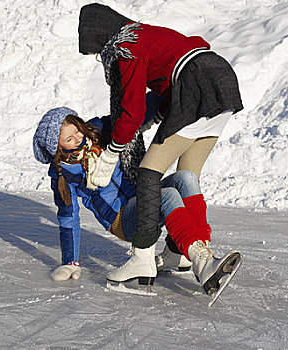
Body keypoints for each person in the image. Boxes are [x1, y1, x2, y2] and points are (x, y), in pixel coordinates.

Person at [77, 3, 243, 297]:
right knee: (188, 176)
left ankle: (142, 258)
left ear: (104, 39)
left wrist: (112, 152)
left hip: (196, 85)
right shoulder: (147, 36)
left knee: (147, 173)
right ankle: (193, 256)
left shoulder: (127, 48)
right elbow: (165, 87)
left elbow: (131, 110)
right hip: (222, 80)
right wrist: (149, 120)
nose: (102, 60)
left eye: (99, 53)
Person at [33, 106, 212, 286]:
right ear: (57, 148)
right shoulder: (63, 174)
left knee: (185, 177)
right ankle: (201, 262)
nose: (79, 138)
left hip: (141, 197)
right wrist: (70, 262)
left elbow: (129, 117)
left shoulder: (96, 130)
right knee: (167, 195)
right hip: (122, 219)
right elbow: (68, 217)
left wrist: (163, 100)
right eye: (69, 139)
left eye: (77, 130)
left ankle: (197, 250)